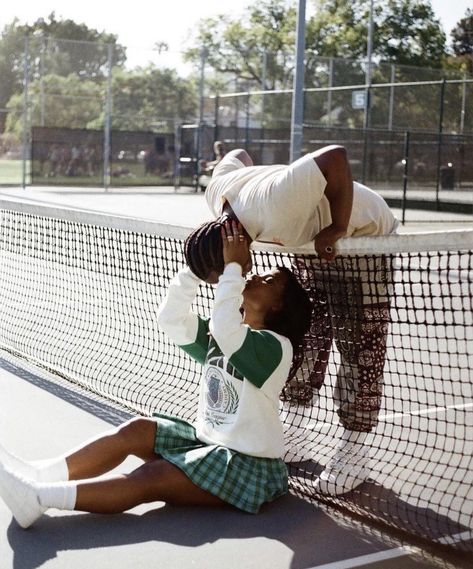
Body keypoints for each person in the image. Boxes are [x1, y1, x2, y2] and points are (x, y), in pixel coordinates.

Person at [0, 220, 312, 529]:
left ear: (278, 308)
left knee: (154, 478)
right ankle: (39, 475)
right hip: (206, 443)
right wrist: (197, 267)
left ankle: (38, 498)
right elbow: (171, 318)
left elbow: (226, 329)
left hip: (247, 465)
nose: (256, 275)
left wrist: (232, 269)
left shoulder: (275, 348)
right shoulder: (228, 334)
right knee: (138, 429)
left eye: (269, 282)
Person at [184, 145, 399, 496]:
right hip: (307, 242)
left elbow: (336, 157)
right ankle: (295, 429)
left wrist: (337, 227)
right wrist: (223, 152)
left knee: (359, 342)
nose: (233, 288)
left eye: (228, 277)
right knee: (303, 331)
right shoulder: (218, 194)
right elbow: (238, 154)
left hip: (364, 235)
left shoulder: (274, 201)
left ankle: (354, 451)